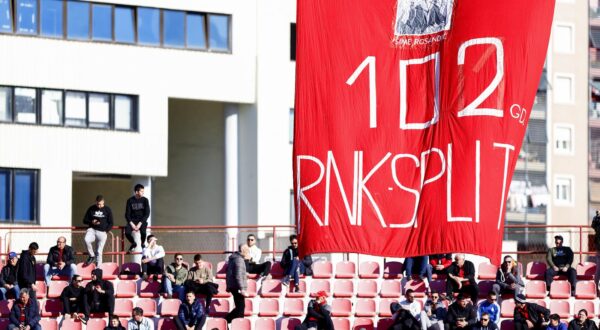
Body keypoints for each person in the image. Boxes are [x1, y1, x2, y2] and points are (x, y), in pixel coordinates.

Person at [83, 195, 114, 265]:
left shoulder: (107, 209)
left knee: (99, 252)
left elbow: (111, 223)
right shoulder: (91, 208)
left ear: (103, 202)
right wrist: (92, 221)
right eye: (97, 204)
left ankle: (98, 269)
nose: (99, 206)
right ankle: (91, 255)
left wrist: (106, 231)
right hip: (92, 230)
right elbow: (84, 220)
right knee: (86, 240)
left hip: (102, 232)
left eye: (100, 204)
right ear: (95, 202)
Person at [224, 245, 247, 323]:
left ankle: (226, 321)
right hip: (237, 286)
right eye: (247, 250)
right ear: (243, 250)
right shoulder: (239, 260)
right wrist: (242, 288)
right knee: (240, 308)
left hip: (233, 286)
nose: (248, 252)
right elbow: (238, 275)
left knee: (239, 307)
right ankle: (227, 321)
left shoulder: (234, 258)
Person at [125, 184, 150, 253]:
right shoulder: (130, 200)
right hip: (132, 221)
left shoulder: (145, 200)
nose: (143, 192)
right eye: (141, 191)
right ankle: (133, 243)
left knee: (143, 232)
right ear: (136, 192)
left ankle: (142, 244)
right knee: (127, 232)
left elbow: (147, 213)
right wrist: (132, 224)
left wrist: (140, 223)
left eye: (143, 191)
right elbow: (127, 214)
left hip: (142, 221)